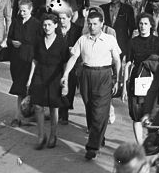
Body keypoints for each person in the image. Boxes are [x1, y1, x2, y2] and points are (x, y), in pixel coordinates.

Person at [62, 9, 121, 160]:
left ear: (102, 24)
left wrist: (118, 80)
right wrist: (66, 74)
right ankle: (98, 137)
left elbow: (117, 60)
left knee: (100, 110)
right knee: (90, 108)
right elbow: (74, 57)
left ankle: (92, 147)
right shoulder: (83, 39)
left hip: (104, 75)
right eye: (89, 24)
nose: (92, 26)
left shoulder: (109, 39)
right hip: (86, 75)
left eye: (95, 24)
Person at [25, 13, 69, 150]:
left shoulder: (62, 42)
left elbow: (66, 62)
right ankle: (41, 136)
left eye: (50, 24)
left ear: (56, 25)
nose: (47, 27)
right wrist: (30, 78)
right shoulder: (39, 40)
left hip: (55, 76)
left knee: (53, 107)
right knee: (38, 106)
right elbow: (35, 60)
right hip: (40, 75)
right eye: (44, 25)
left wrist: (65, 81)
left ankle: (53, 135)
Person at [125, 14, 159, 145]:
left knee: (153, 114)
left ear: (151, 26)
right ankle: (140, 145)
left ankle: (152, 143)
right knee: (137, 115)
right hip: (137, 81)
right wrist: (124, 86)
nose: (142, 26)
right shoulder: (133, 42)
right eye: (141, 24)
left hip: (154, 83)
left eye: (145, 24)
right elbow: (128, 63)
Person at [7, 0, 41, 124]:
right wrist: (12, 42)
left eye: (24, 11)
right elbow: (9, 38)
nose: (22, 13)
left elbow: (39, 44)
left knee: (28, 87)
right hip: (17, 59)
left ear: (31, 10)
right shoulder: (16, 22)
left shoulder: (37, 24)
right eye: (20, 11)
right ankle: (20, 115)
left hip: (30, 60)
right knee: (19, 88)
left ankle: (25, 115)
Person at [101, 0, 136, 96]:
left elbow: (132, 27)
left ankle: (117, 86)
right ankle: (105, 86)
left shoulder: (127, 9)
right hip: (105, 41)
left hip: (121, 42)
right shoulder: (103, 8)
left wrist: (128, 44)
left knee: (118, 64)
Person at [54, 8, 83, 125]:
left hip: (71, 63)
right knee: (57, 85)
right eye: (60, 18)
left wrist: (75, 51)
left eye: (64, 18)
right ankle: (58, 111)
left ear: (70, 18)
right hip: (57, 61)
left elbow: (81, 45)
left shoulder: (77, 30)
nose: (61, 21)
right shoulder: (56, 29)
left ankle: (64, 112)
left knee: (69, 86)